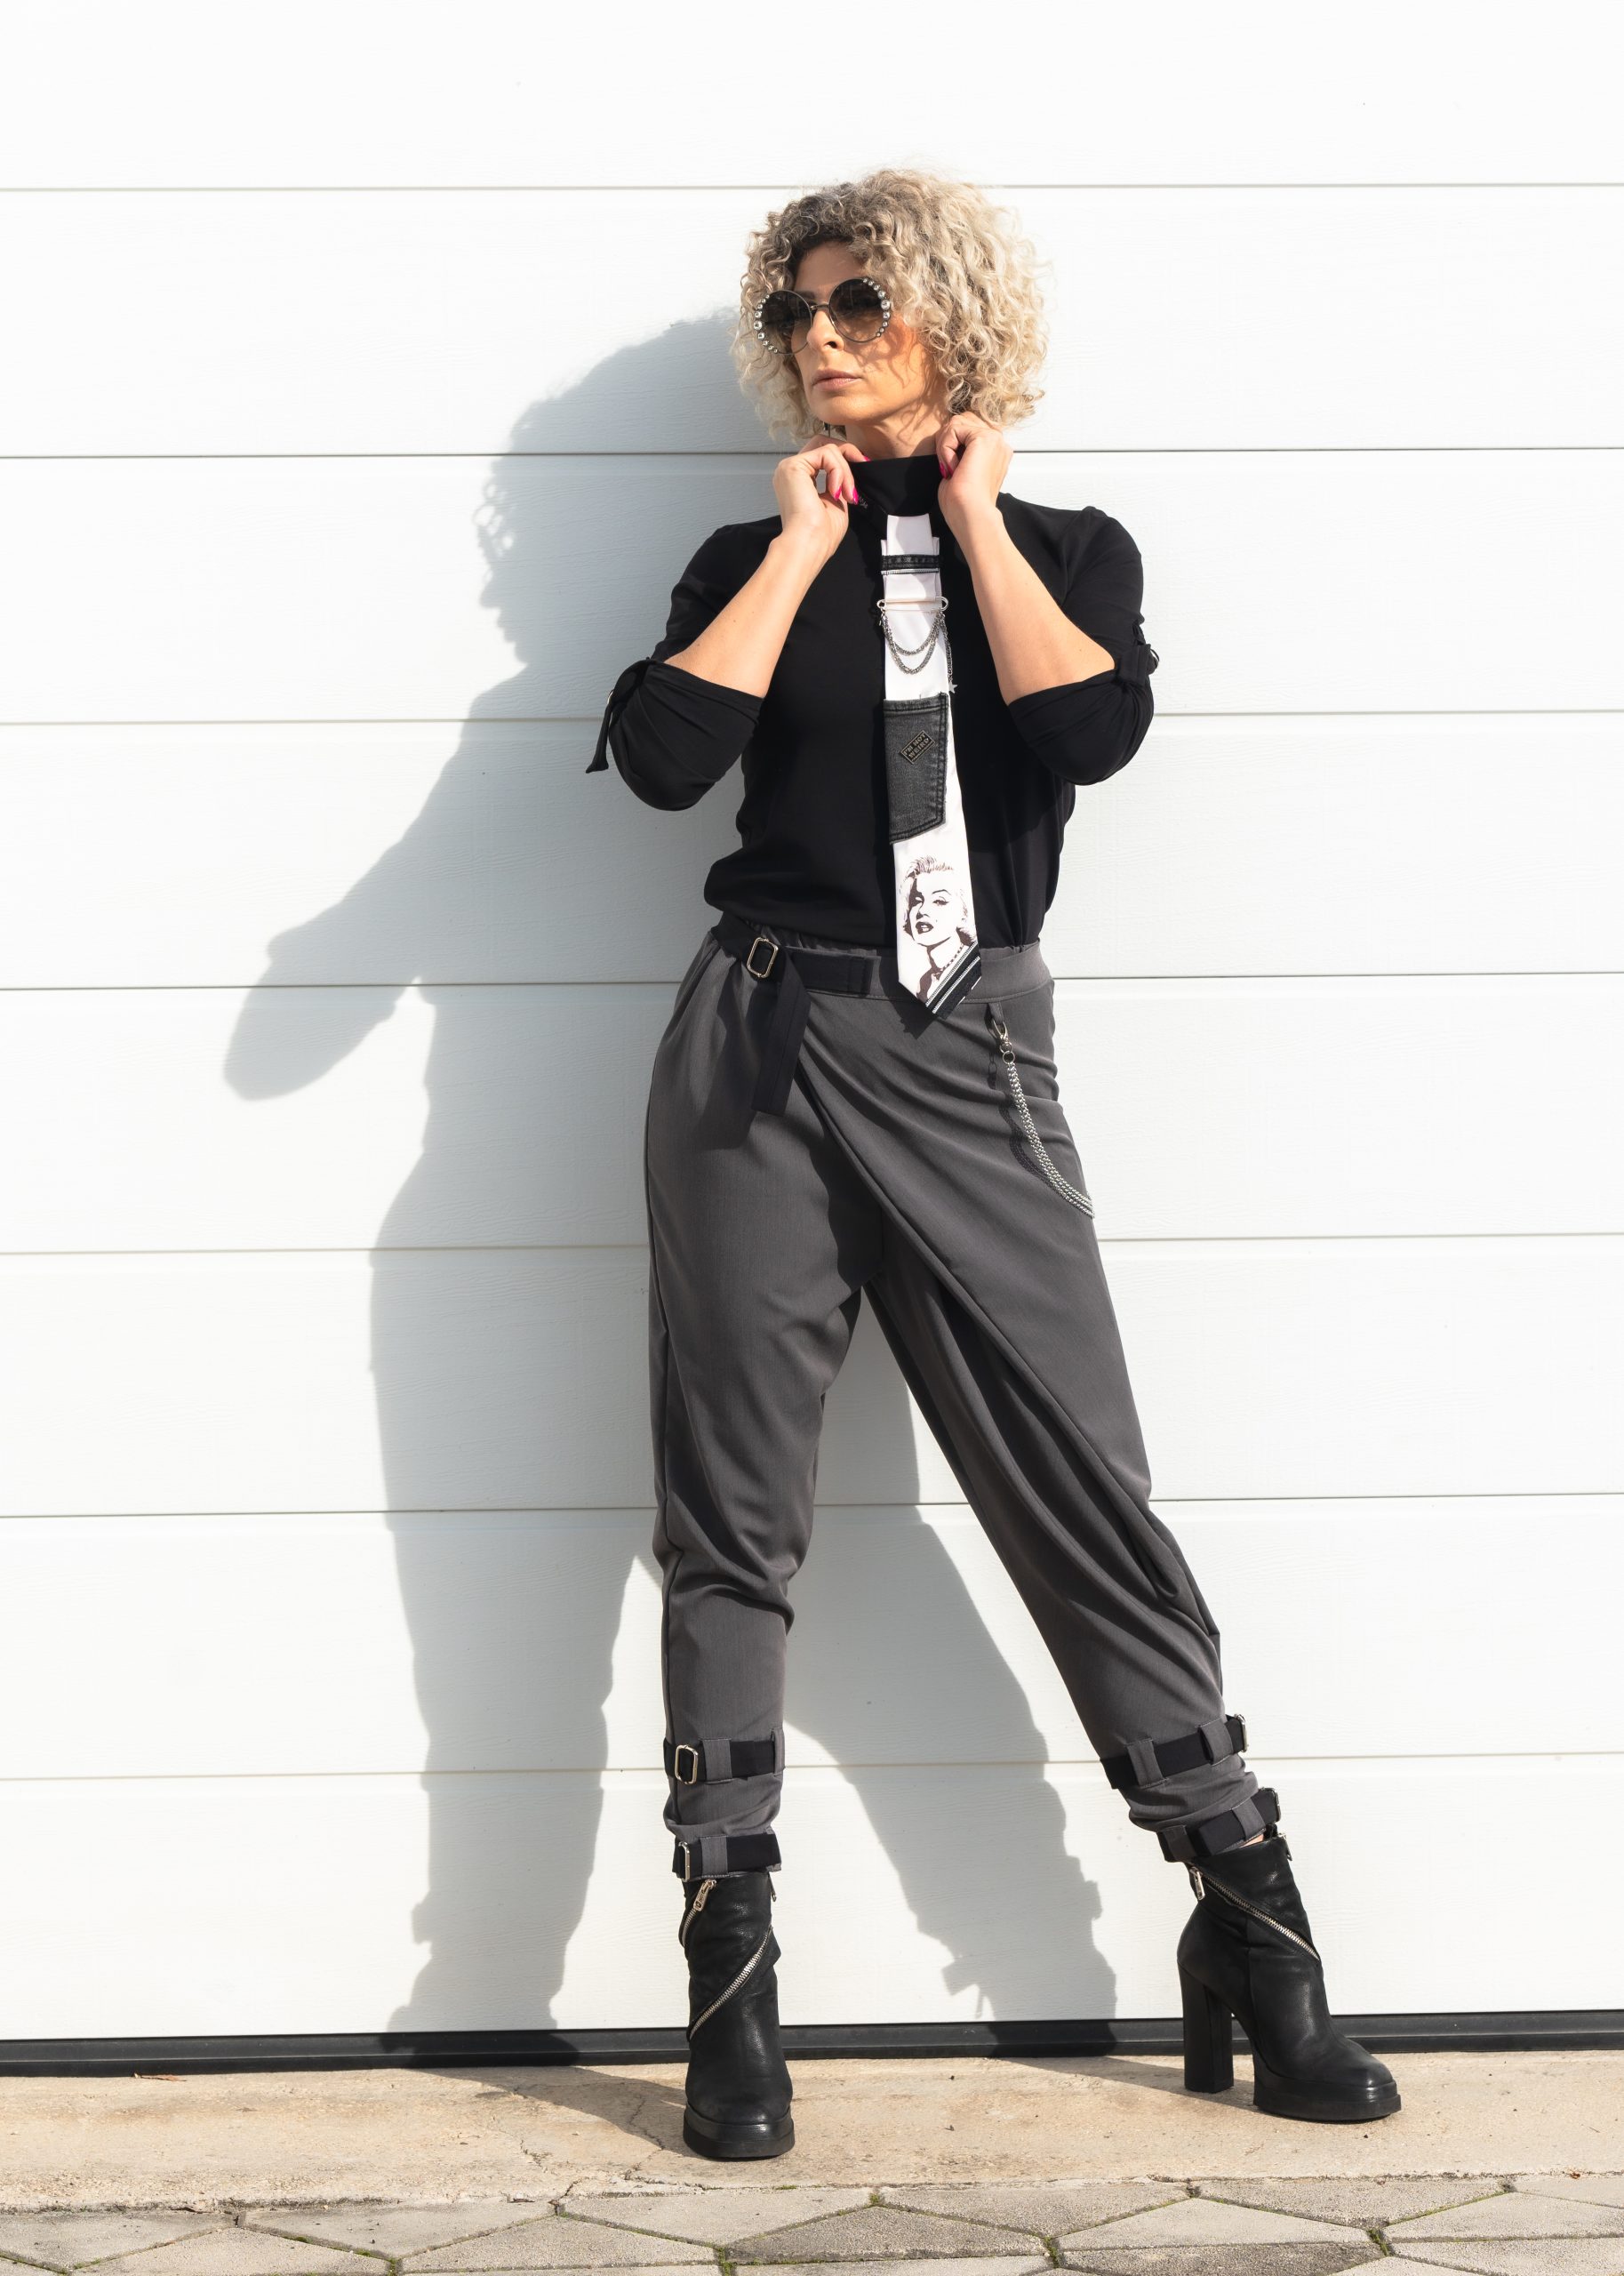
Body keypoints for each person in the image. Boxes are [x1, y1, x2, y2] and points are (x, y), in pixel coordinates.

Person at [586, 167, 1399, 2158]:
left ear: (949, 313)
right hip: (753, 1047)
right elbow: (667, 758)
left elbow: (1087, 732)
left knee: (1076, 1484)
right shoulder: (742, 554)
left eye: (858, 300)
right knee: (731, 1513)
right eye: (794, 310)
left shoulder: (1067, 550)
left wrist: (964, 519)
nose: (820, 336)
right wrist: (805, 546)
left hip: (966, 1047)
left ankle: (1250, 1917)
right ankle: (729, 1980)